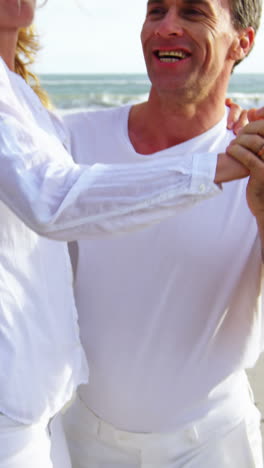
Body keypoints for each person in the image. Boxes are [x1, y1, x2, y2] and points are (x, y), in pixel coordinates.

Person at [0, 1, 252, 468]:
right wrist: (218, 164)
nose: (168, 26)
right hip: (77, 440)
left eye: (194, 12)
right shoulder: (69, 143)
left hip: (213, 446)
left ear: (243, 41)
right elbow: (50, 200)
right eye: (156, 11)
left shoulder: (253, 160)